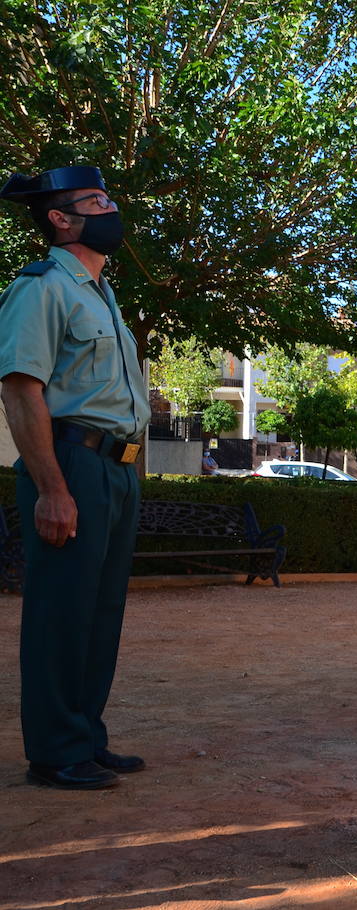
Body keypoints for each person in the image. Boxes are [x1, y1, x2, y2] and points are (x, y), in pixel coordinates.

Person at [0, 166, 151, 790]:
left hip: (117, 467)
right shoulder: (40, 288)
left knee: (100, 611)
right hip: (71, 462)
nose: (111, 207)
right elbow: (21, 388)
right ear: (60, 218)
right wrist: (54, 488)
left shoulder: (101, 292)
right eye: (97, 201)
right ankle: (56, 750)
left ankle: (85, 734)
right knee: (62, 612)